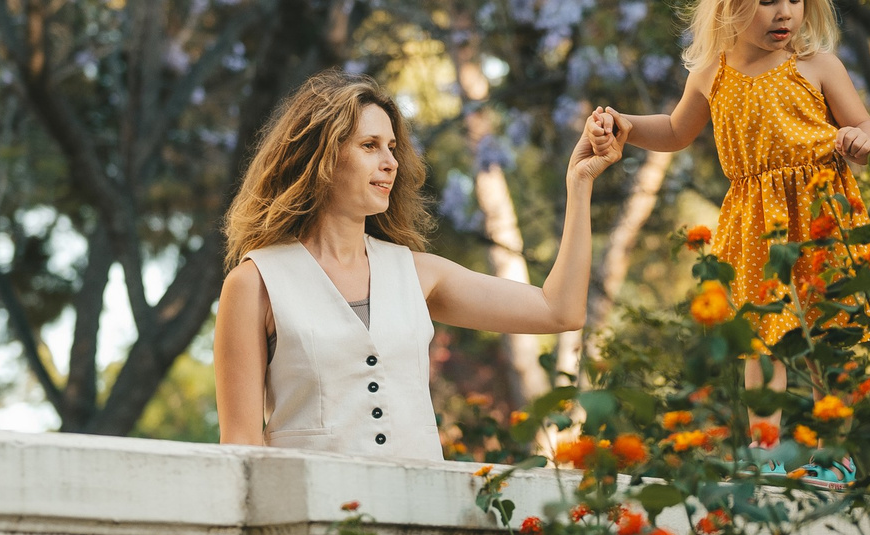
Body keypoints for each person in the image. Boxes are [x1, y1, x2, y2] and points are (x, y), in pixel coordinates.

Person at [216, 71, 622, 457]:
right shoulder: (255, 283)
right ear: (320, 157)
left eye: (392, 147)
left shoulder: (417, 273)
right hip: (310, 518)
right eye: (369, 145)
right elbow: (240, 444)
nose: (391, 162)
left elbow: (560, 311)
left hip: (418, 515)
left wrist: (580, 182)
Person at [593, 0, 870, 372]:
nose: (783, 13)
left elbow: (866, 126)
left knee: (836, 325)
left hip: (823, 215)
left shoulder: (817, 66)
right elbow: (673, 131)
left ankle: (834, 436)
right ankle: (765, 442)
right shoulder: (711, 74)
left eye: (795, 0)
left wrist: (860, 141)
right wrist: (626, 125)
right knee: (763, 338)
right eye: (767, 1)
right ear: (730, 2)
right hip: (757, 228)